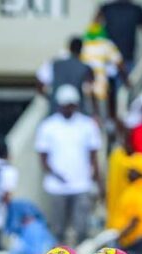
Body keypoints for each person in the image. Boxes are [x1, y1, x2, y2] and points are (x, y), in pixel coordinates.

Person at [35, 85, 102, 244]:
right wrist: (56, 174)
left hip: (81, 185)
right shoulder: (48, 126)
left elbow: (93, 156)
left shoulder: (87, 125)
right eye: (65, 105)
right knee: (57, 230)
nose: (68, 109)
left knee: (82, 229)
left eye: (71, 105)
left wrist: (98, 181)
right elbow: (43, 157)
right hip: (56, 186)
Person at [36, 37, 96, 115]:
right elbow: (91, 90)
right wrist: (95, 113)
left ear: (69, 48)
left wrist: (50, 98)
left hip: (56, 110)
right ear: (82, 50)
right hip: (77, 112)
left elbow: (40, 83)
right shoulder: (85, 68)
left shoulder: (54, 64)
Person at [96, 0, 142, 69]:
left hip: (116, 60)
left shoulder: (106, 8)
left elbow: (93, 32)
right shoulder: (136, 9)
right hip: (115, 60)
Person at [109, 153, 142, 250]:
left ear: (139, 172)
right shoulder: (135, 187)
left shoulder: (141, 189)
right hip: (131, 241)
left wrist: (119, 237)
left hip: (138, 242)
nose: (127, 172)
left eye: (131, 170)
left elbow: (136, 219)